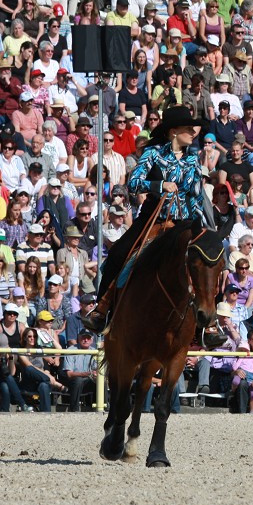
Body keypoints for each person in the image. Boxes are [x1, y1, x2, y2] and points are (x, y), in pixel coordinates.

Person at [81, 106, 218, 343]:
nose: (193, 132)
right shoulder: (153, 153)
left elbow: (195, 195)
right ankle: (101, 309)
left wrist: (202, 227)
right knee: (119, 255)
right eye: (188, 128)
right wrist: (159, 185)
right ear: (173, 131)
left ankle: (209, 325)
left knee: (209, 262)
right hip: (154, 218)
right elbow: (133, 183)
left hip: (185, 223)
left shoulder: (193, 159)